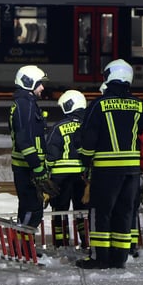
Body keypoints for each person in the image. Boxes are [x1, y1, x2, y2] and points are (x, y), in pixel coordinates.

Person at [76, 59, 143, 269]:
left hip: (106, 169)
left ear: (109, 76)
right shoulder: (138, 104)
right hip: (131, 171)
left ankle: (100, 258)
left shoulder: (99, 105)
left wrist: (85, 160)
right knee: (124, 212)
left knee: (103, 213)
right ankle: (119, 258)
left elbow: (89, 138)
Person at [9, 65, 56, 245]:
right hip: (27, 169)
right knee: (32, 209)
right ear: (29, 83)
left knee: (28, 209)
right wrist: (37, 168)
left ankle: (22, 248)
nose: (42, 88)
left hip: (28, 167)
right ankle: (22, 248)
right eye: (39, 84)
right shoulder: (24, 105)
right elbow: (24, 141)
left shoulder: (26, 103)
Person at [46, 89, 88, 250]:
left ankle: (61, 243)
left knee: (59, 211)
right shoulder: (88, 126)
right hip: (82, 177)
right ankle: (85, 241)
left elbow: (51, 153)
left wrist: (44, 174)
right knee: (82, 211)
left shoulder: (58, 127)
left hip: (60, 178)